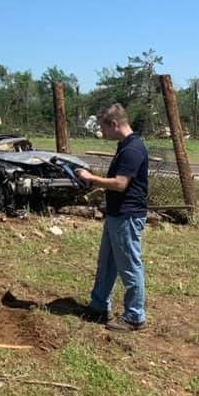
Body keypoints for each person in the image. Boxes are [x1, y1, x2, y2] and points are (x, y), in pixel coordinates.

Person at [74, 103, 150, 332]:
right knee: (106, 263)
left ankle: (135, 316)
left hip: (127, 216)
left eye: (103, 128)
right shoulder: (125, 145)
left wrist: (91, 178)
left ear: (114, 124)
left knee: (129, 266)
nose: (101, 132)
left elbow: (120, 183)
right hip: (116, 215)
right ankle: (99, 305)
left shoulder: (133, 149)